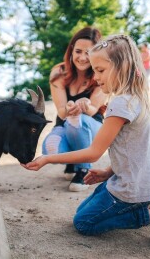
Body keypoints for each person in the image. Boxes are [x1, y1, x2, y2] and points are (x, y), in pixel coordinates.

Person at [21, 34, 150, 243]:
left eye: (101, 70)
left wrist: (47, 159)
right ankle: (146, 202)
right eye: (94, 70)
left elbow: (94, 152)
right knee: (83, 209)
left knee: (84, 222)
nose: (95, 77)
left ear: (121, 67)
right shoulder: (137, 98)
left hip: (132, 188)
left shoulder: (120, 104)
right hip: (141, 181)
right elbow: (136, 151)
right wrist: (107, 172)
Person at [42, 26, 107, 192]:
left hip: (92, 126)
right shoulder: (59, 71)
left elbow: (93, 111)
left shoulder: (102, 72)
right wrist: (70, 107)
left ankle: (84, 169)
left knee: (78, 120)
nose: (83, 57)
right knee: (51, 147)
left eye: (89, 52)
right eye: (78, 51)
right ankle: (72, 161)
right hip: (64, 123)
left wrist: (85, 106)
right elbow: (62, 112)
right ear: (71, 51)